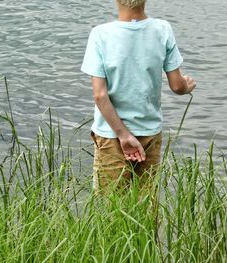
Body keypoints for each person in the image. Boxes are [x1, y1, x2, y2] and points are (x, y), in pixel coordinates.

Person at [81, 0, 196, 192]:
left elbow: (100, 96)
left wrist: (123, 135)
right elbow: (177, 86)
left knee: (109, 207)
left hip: (111, 134)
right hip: (149, 131)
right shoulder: (162, 29)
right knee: (147, 204)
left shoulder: (100, 34)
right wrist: (187, 86)